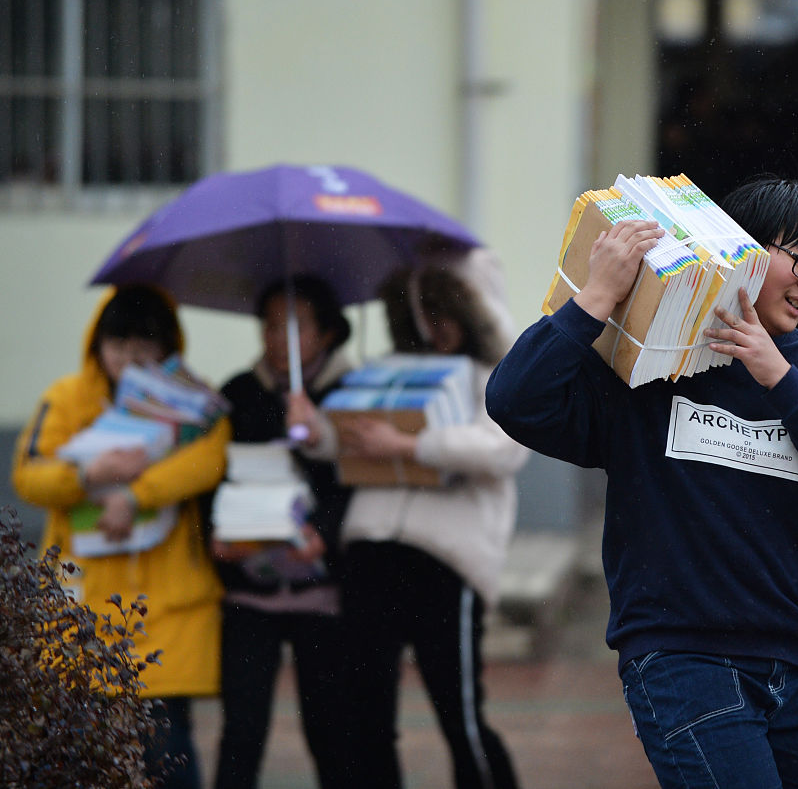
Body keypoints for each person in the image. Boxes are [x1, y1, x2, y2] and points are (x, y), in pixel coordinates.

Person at [485, 176, 798, 789]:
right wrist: (596, 296)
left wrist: (778, 376)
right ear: (737, 249)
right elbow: (515, 400)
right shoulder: (655, 364)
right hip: (685, 660)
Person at [292, 248, 528, 789]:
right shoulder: (390, 368)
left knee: (460, 716)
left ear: (473, 310)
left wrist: (408, 445)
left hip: (448, 562)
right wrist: (313, 430)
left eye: (443, 310)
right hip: (371, 552)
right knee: (365, 716)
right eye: (420, 312)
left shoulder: (497, 375)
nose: (432, 326)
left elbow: (504, 449)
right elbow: (343, 438)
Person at [11, 284, 229, 789]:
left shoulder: (196, 403)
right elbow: (28, 472)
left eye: (144, 348)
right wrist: (88, 475)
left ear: (167, 349)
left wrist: (136, 494)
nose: (129, 360)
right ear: (97, 345)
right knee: (79, 752)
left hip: (167, 607)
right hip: (82, 605)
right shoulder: (66, 398)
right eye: (118, 346)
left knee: (165, 748)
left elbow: (210, 458)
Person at [208, 275, 355, 789]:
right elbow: (213, 479)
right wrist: (217, 532)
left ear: (327, 332)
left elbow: (355, 484)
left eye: (293, 326)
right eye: (269, 325)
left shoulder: (348, 393)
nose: (276, 338)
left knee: (331, 733)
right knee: (241, 733)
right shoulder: (237, 394)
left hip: (323, 594)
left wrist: (326, 532)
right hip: (250, 595)